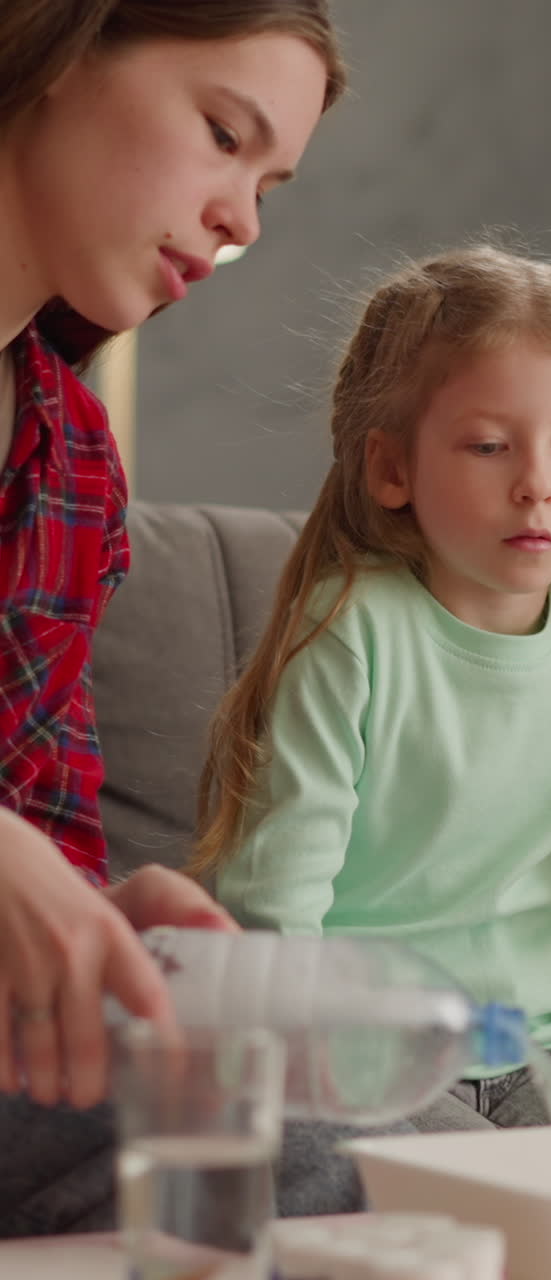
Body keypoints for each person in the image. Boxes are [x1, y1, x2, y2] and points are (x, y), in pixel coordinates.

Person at [194, 243, 551, 1147]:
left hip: (550, 1062)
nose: (536, 483)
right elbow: (277, 904)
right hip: (364, 1071)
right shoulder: (349, 631)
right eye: (489, 446)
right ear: (392, 469)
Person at [0, 0, 346, 1234]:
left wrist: (92, 914)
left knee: (362, 1132)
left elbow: (37, 809)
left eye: (271, 183)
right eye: (221, 133)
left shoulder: (72, 458)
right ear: (59, 48)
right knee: (295, 1164)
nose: (241, 219)